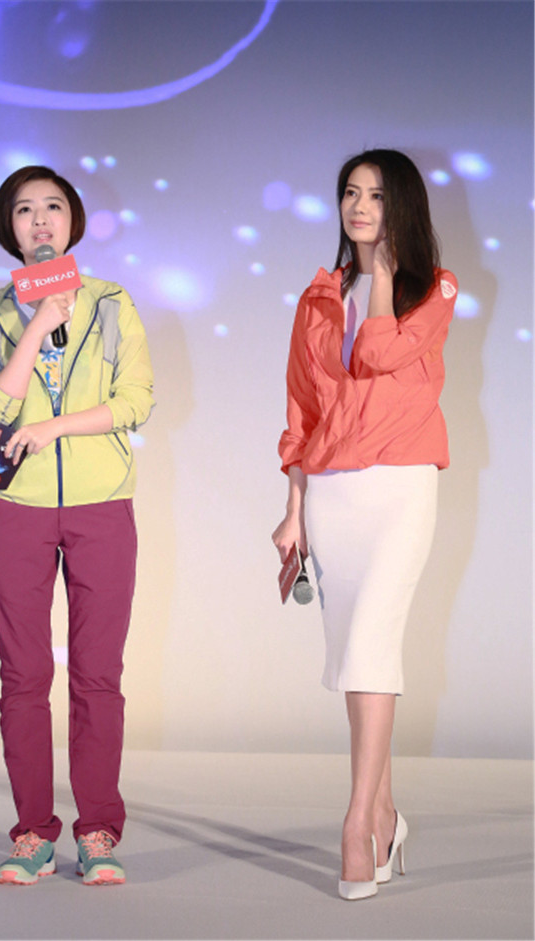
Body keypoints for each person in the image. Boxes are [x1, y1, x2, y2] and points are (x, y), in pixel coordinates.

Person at [272, 149, 456, 900]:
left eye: (376, 195)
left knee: (373, 642)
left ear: (401, 205)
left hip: (400, 485)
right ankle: (385, 812)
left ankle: (356, 825)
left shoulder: (434, 290)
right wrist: (293, 511)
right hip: (332, 494)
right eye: (350, 192)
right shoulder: (318, 297)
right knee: (356, 655)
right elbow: (301, 409)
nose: (358, 206)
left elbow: (378, 351)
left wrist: (381, 272)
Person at [0, 165, 154, 886]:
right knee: (23, 675)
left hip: (102, 504)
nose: (40, 220)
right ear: (9, 228)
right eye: (25, 210)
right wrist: (37, 326)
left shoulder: (110, 303)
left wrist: (55, 428)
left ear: (73, 221)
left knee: (98, 674)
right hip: (17, 509)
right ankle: (31, 833)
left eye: (53, 207)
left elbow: (136, 400)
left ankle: (98, 829)